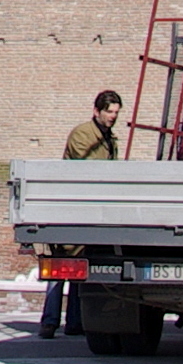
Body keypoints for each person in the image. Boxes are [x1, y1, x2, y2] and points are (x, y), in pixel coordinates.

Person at [38, 90, 124, 340]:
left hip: (90, 213)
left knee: (80, 268)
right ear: (97, 111)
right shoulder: (84, 134)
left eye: (116, 112)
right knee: (60, 268)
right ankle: (50, 322)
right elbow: (91, 170)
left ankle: (74, 322)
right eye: (109, 111)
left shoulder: (108, 138)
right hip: (71, 211)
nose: (113, 117)